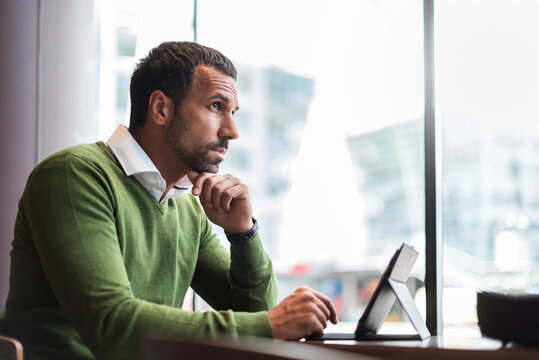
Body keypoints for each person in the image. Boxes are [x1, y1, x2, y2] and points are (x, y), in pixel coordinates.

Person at [0, 41, 337, 359]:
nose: (232, 131)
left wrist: (243, 234)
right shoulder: (74, 175)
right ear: (161, 108)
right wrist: (270, 325)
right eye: (216, 107)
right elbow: (112, 324)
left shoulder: (185, 207)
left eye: (233, 112)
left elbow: (253, 316)